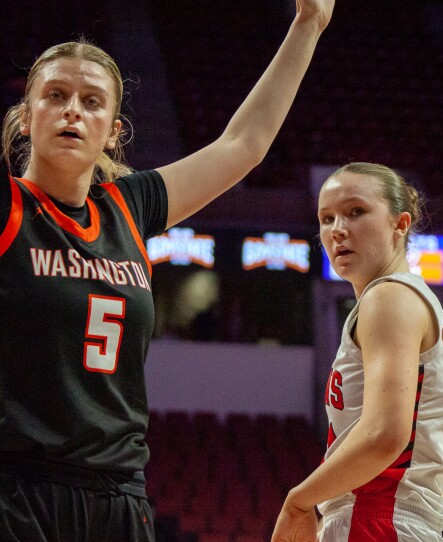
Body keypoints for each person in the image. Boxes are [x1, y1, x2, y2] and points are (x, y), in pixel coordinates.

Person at [0, 1, 333, 540]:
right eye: (55, 97)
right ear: (26, 115)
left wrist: (308, 24)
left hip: (120, 494)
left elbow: (242, 146)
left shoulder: (129, 208)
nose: (72, 112)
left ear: (113, 130)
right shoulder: (10, 206)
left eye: (91, 102)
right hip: (19, 490)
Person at [271, 162, 443, 542]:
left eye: (356, 212)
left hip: (373, 523)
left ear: (400, 225)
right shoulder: (422, 304)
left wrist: (299, 501)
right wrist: (407, 506)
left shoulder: (388, 297)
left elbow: (385, 434)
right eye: (326, 218)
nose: (338, 230)